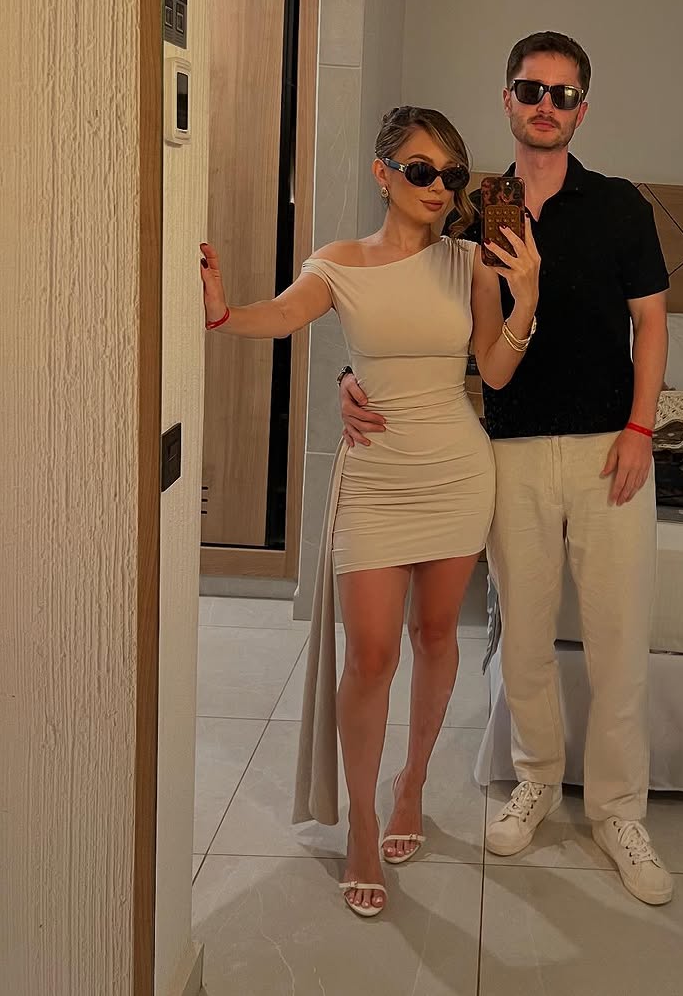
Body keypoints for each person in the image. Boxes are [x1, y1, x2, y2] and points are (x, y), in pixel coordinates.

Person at [339, 33, 675, 906]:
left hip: (609, 450)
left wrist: (643, 428)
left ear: (582, 109)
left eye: (563, 94)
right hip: (507, 451)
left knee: (617, 642)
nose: (546, 105)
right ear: (508, 99)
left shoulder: (619, 206)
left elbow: (651, 323)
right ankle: (535, 780)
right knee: (522, 638)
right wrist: (350, 375)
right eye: (532, 89)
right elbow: (397, 302)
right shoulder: (470, 207)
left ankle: (619, 813)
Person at [199, 106, 540, 920]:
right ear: (384, 173)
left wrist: (524, 297)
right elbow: (282, 315)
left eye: (451, 174)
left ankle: (410, 782)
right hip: (377, 478)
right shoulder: (338, 263)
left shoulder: (470, 262)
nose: (438, 186)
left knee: (435, 635)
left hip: (457, 471)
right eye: (420, 170)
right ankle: (359, 821)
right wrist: (221, 312)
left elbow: (494, 371)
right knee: (372, 654)